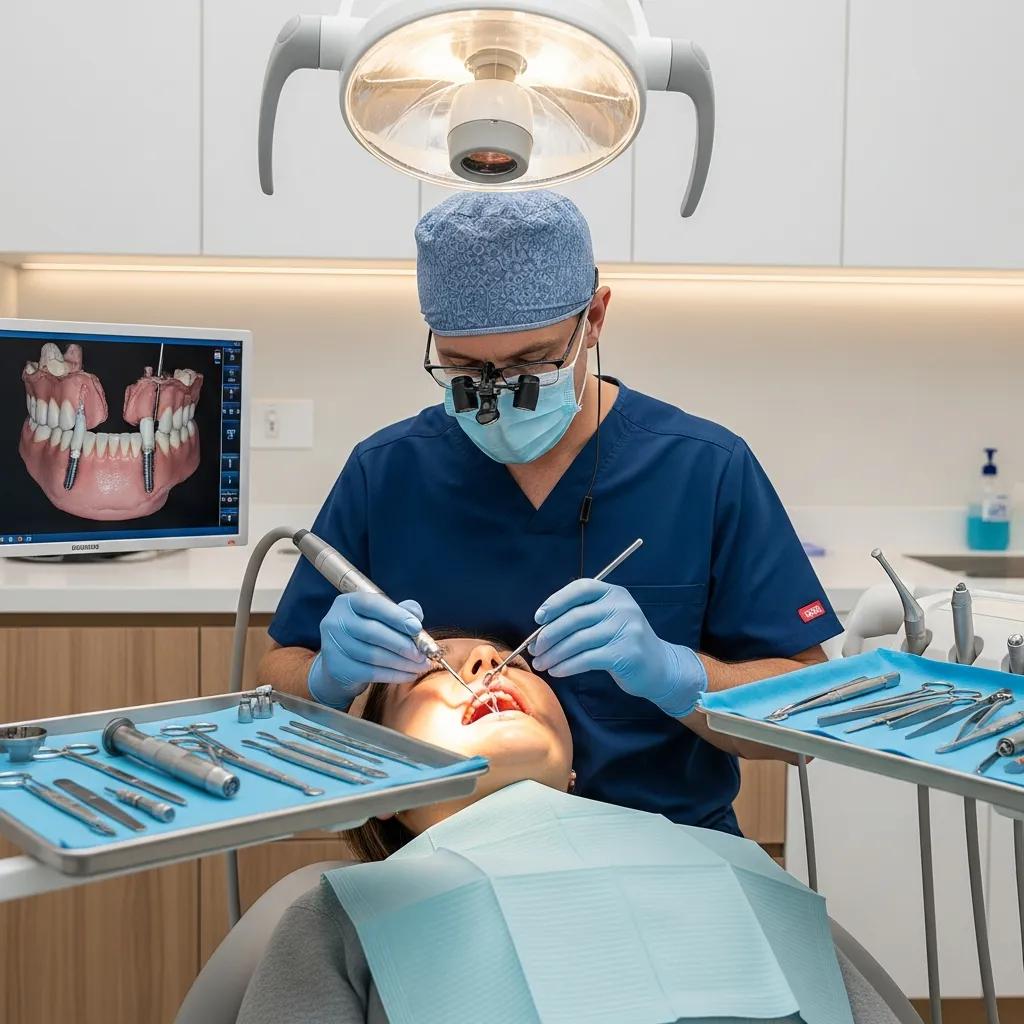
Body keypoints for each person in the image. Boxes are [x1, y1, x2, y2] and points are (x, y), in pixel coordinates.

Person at [260, 189, 843, 835]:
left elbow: (802, 726)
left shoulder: (703, 469)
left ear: (594, 318)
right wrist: (323, 679)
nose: (495, 397)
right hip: (444, 863)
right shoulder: (387, 471)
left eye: (530, 363)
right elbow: (281, 674)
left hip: (673, 852)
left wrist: (679, 675)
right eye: (462, 368)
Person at [235, 640, 904, 1024]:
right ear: (387, 788)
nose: (487, 663)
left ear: (575, 766)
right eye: (432, 670)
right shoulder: (347, 910)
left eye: (514, 664)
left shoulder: (730, 862)